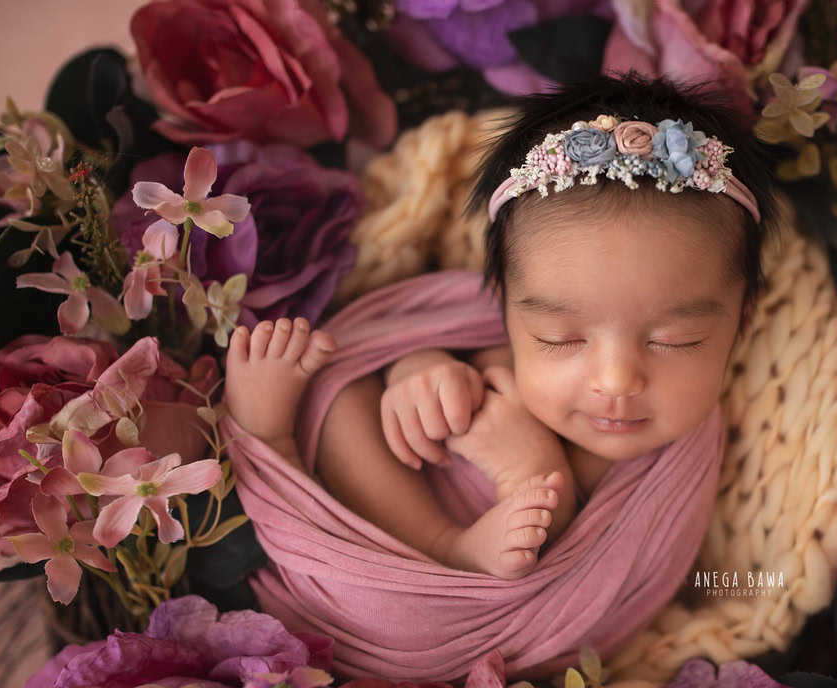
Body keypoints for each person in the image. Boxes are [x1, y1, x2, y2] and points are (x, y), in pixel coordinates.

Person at [222, 72, 786, 581]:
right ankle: (271, 441)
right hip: (396, 487)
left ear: (742, 317)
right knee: (340, 393)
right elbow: (400, 342)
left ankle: (443, 547)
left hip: (436, 600)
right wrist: (419, 369)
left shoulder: (676, 461)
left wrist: (533, 470)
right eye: (559, 338)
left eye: (673, 340)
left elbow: (587, 586)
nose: (616, 382)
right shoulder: (481, 322)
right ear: (506, 305)